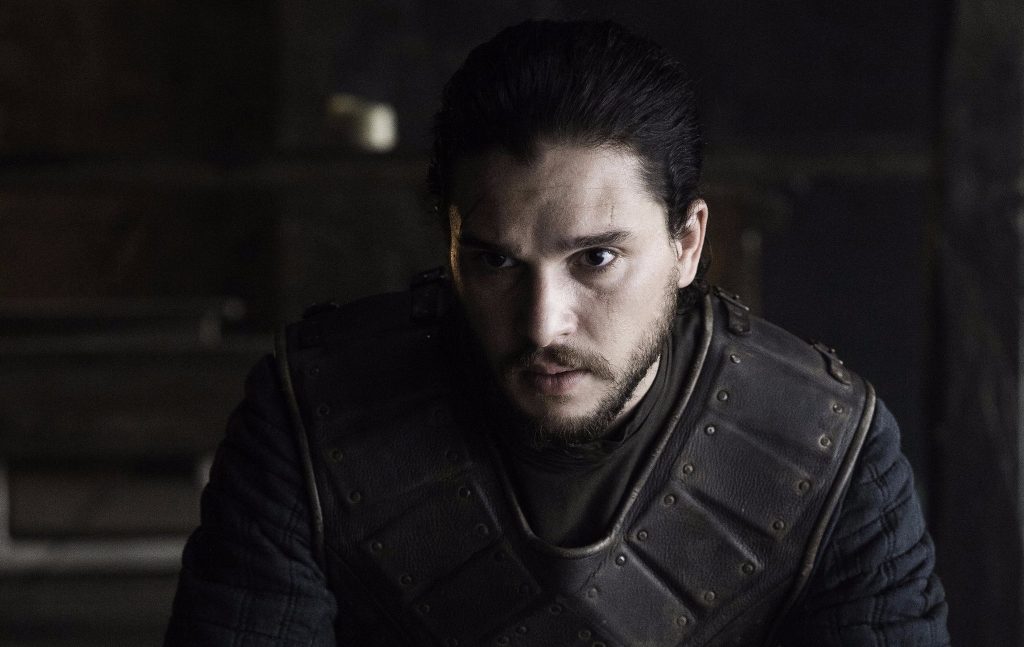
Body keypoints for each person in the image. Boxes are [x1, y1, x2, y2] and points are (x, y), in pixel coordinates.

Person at [165, 20, 949, 647]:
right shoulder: (308, 418)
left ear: (686, 244)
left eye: (596, 259)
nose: (543, 323)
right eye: (497, 261)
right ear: (449, 245)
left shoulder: (831, 449)